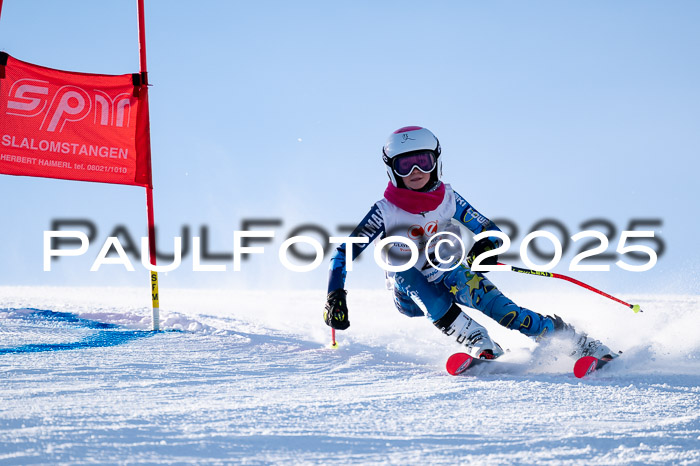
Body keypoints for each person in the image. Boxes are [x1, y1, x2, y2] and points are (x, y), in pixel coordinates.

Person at [323, 125, 619, 361]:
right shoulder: (385, 211)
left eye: (422, 161)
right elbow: (344, 253)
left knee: (497, 304)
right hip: (410, 292)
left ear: (436, 162)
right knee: (398, 261)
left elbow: (489, 229)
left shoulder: (449, 198)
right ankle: (476, 338)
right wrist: (335, 294)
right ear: (391, 169)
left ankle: (571, 340)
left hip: (447, 271)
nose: (415, 172)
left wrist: (486, 247)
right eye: (405, 165)